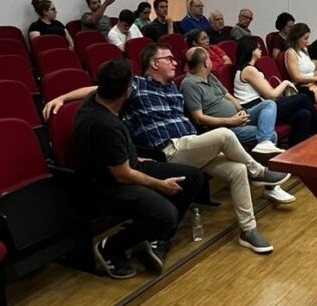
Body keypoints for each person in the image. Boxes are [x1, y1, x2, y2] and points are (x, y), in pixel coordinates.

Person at [42, 43, 291, 254]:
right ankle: (259, 172)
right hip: (169, 150)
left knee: (236, 171)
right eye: (168, 59)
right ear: (154, 63)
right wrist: (62, 98)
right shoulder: (136, 85)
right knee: (226, 135)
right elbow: (98, 91)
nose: (175, 62)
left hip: (192, 146)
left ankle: (248, 230)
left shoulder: (172, 88)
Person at [73, 60, 203, 279]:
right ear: (126, 91)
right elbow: (122, 174)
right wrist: (160, 185)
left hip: (127, 165)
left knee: (193, 177)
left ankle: (158, 237)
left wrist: (59, 98)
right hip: (109, 185)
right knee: (166, 215)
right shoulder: (106, 125)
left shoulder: (96, 99)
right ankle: (111, 247)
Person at [181, 46, 290, 168]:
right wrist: (231, 121)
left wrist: (241, 110)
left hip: (238, 117)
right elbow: (199, 118)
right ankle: (266, 170)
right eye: (209, 58)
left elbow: (229, 96)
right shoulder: (189, 84)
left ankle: (264, 144)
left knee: (269, 104)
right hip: (226, 128)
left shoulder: (210, 76)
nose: (211, 61)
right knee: (271, 134)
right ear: (206, 62)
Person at [233, 35, 317, 148]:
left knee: (303, 114)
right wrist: (285, 83)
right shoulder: (248, 70)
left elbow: (270, 93)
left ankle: (296, 152)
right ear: (251, 50)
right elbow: (271, 95)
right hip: (256, 110)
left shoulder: (252, 69)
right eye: (258, 48)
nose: (261, 50)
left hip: (265, 105)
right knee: (302, 98)